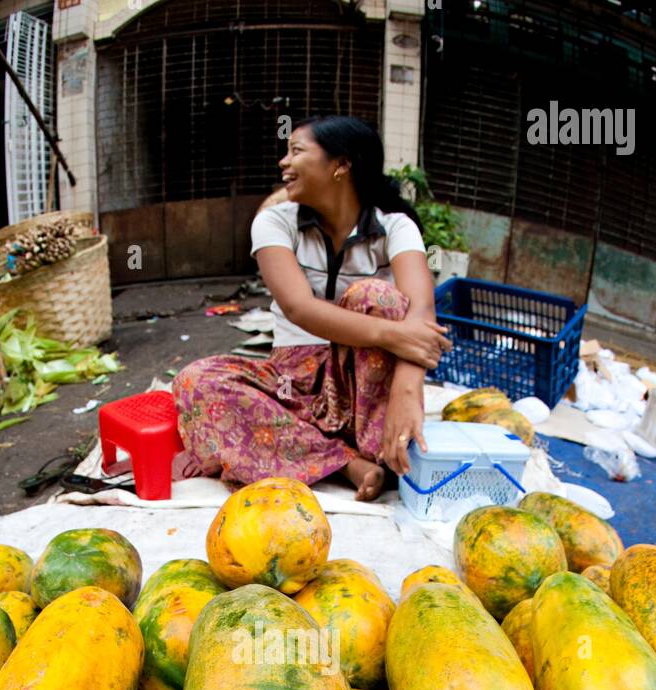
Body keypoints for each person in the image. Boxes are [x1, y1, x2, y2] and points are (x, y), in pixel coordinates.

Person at [173, 115, 450, 501]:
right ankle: (345, 462)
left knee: (378, 297)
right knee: (195, 379)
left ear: (342, 165)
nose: (283, 163)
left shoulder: (395, 226)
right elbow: (299, 307)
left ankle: (377, 449)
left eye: (297, 151)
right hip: (291, 384)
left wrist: (407, 390)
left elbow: (422, 315)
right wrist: (397, 334)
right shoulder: (273, 222)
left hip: (360, 390)